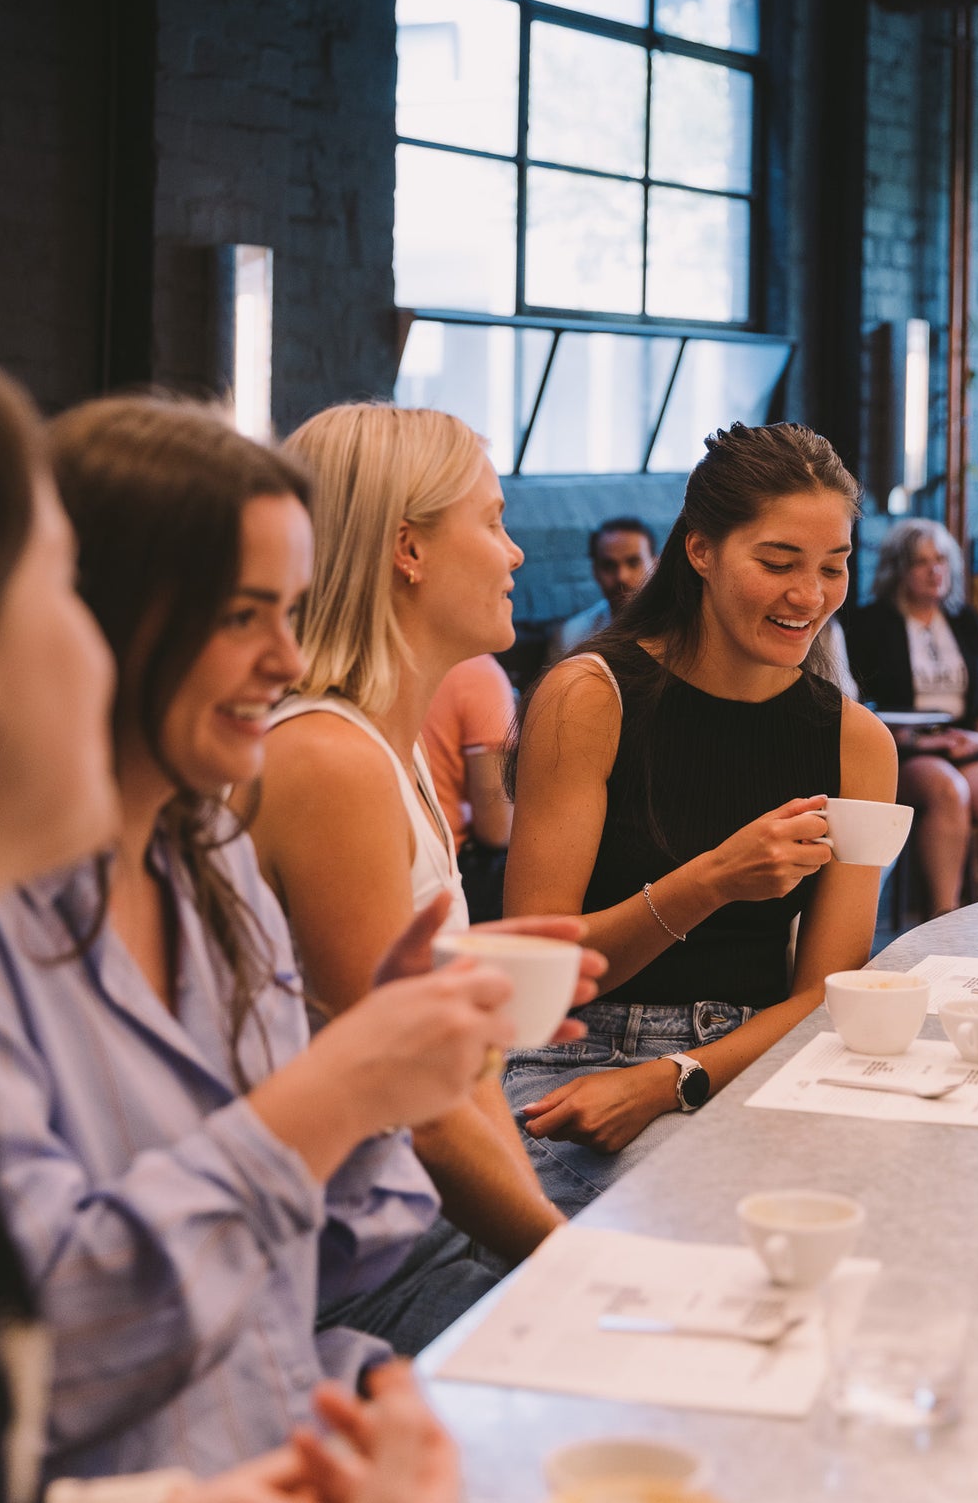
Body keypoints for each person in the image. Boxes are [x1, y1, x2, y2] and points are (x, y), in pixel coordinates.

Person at [0, 346, 458, 1503]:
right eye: (62, 591)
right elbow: (12, 1385)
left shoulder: (202, 854)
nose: (91, 645)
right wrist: (340, 1092)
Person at [0, 394, 546, 1485]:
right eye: (241, 616)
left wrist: (368, 1386)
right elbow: (47, 1365)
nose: (285, 657)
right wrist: (344, 1090)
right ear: (91, 622)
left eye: (296, 608)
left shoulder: (207, 860)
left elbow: (316, 1254)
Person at [500, 422, 898, 1215]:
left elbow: (825, 990)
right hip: (578, 1054)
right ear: (701, 551)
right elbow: (534, 979)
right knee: (708, 1222)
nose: (808, 595)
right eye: (778, 562)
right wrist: (713, 879)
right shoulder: (591, 696)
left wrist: (678, 1075)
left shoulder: (857, 741)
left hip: (754, 1054)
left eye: (833, 566)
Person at [251, 404, 596, 1302]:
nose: (515, 552)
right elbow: (420, 1108)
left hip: (414, 1216)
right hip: (352, 1258)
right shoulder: (327, 760)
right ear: (408, 549)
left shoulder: (382, 748)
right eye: (492, 520)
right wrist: (573, 1272)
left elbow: (459, 1072)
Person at [842, 518, 978, 915]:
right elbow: (859, 706)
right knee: (950, 791)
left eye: (942, 559)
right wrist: (913, 740)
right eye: (921, 562)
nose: (936, 570)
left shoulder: (964, 619)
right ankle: (946, 917)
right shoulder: (870, 624)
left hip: (963, 740)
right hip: (904, 745)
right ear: (898, 569)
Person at [421, 651, 517, 921]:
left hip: (407, 861)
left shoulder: (388, 661)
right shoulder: (476, 673)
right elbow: (497, 829)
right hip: (452, 866)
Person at [548, 517, 657, 663]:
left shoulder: (680, 629)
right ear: (595, 571)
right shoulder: (572, 636)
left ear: (656, 565)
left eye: (633, 562)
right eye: (608, 566)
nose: (621, 577)